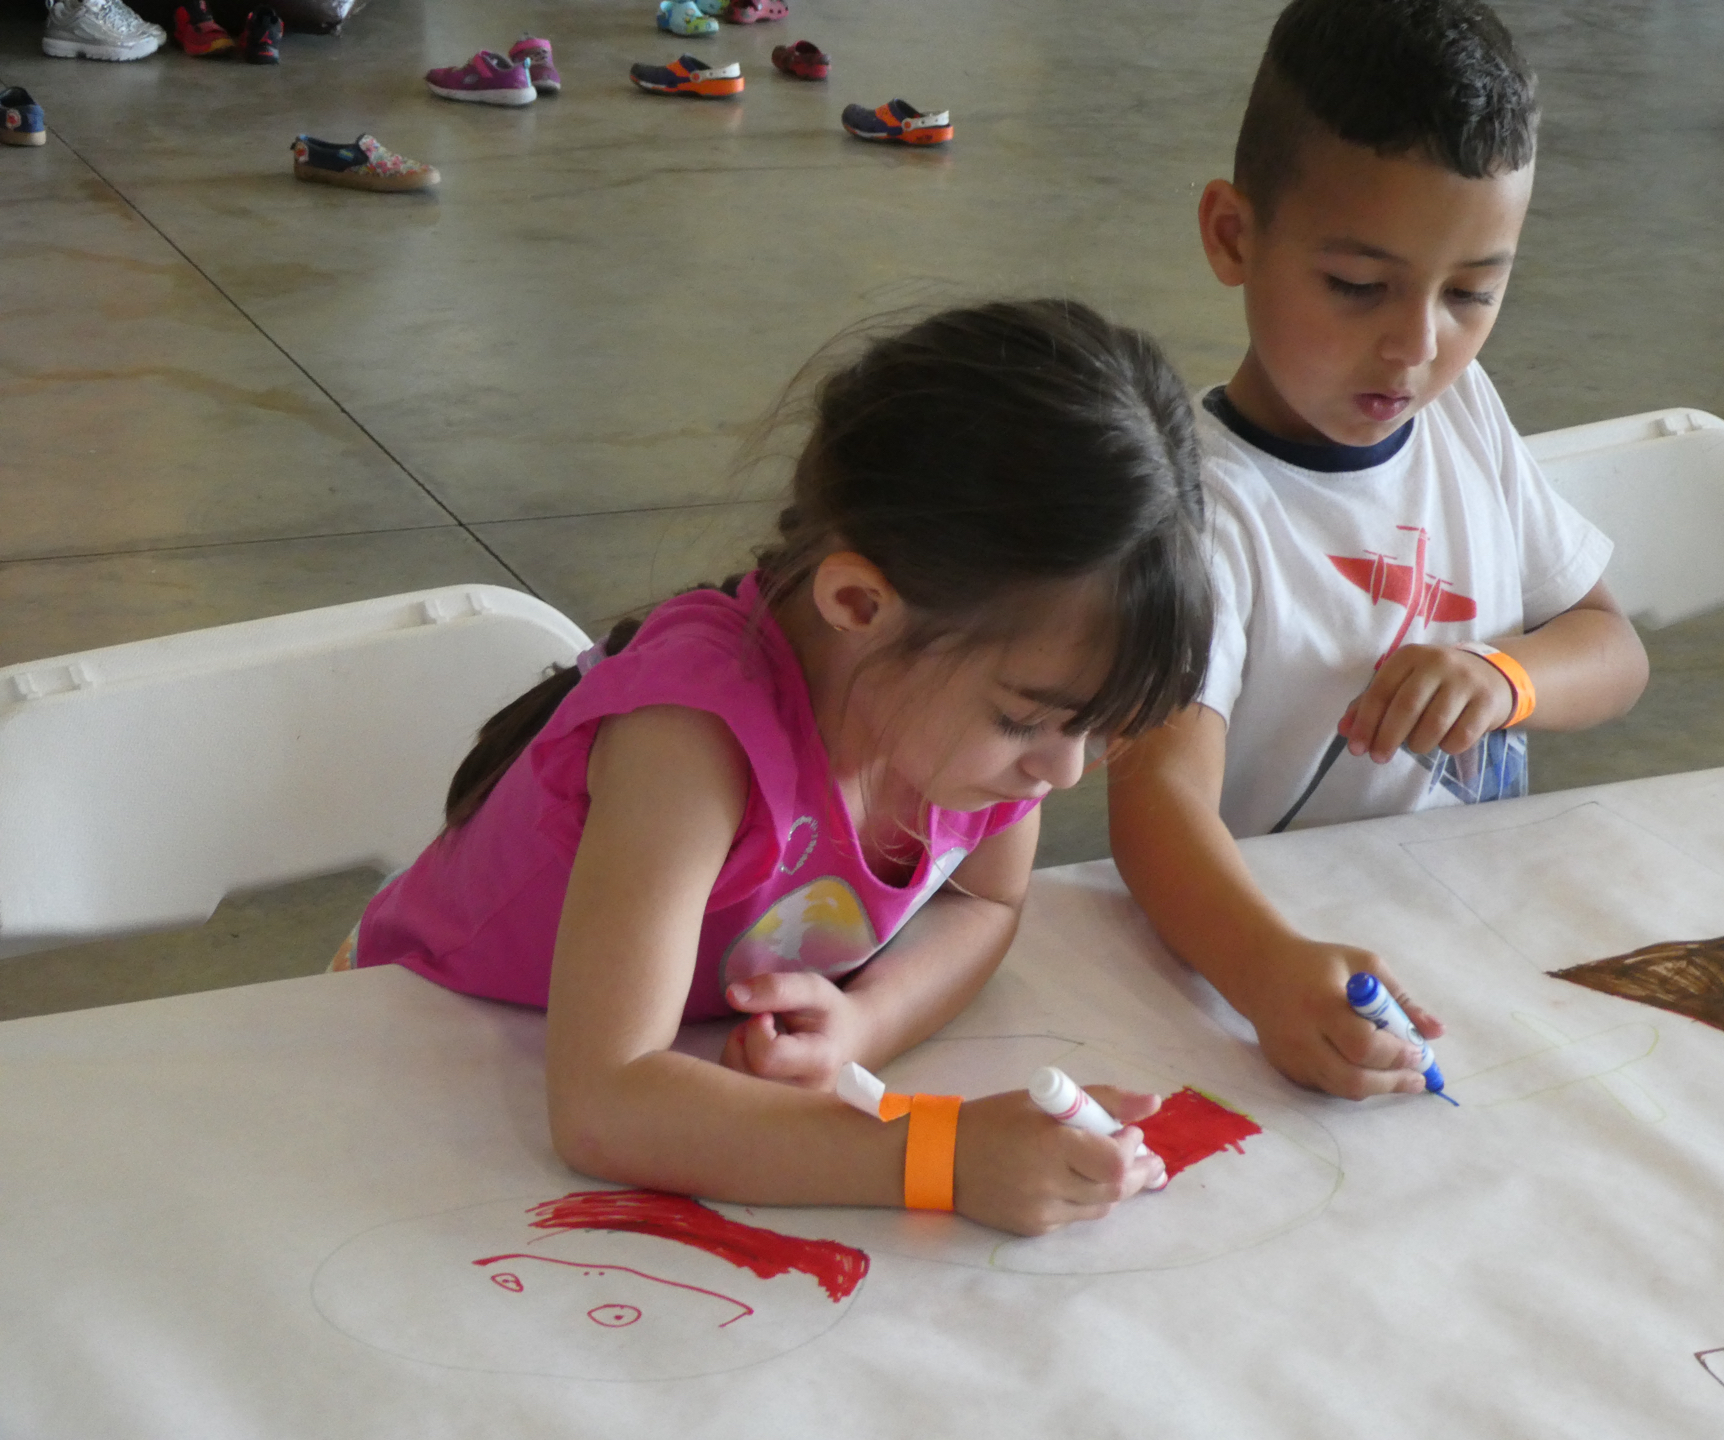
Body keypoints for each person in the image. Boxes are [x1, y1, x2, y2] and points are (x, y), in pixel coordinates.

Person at [347, 299, 1214, 1237]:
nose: (1065, 770)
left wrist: (866, 1023)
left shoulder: (973, 730)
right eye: (1026, 720)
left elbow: (986, 905)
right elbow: (605, 1103)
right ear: (859, 604)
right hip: (398, 1055)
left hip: (635, 1061)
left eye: (1093, 728)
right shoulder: (689, 741)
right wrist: (941, 1157)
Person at [1108, 0, 1649, 1102]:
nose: (1415, 346)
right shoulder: (1202, 507)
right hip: (1304, 970)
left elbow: (1612, 647)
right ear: (1233, 237)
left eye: (1471, 293)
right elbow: (1156, 802)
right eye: (1358, 287)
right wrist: (1264, 971)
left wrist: (1505, 677)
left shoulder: (1462, 412)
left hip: (1483, 942)